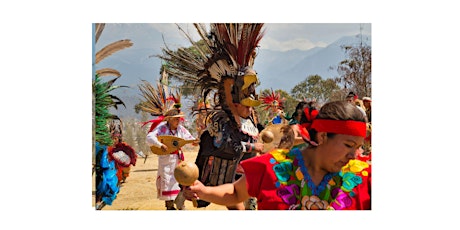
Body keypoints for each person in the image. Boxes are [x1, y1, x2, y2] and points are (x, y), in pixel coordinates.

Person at [184, 100, 371, 210]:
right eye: (349, 145)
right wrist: (204, 191)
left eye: (358, 147)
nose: (354, 156)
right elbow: (235, 192)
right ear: (323, 136)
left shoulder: (365, 178)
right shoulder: (273, 167)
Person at [146, 108, 197, 210]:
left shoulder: (180, 129)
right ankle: (169, 206)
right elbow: (150, 137)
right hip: (166, 160)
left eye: (179, 119)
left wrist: (194, 142)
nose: (178, 121)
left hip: (178, 159)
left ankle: (180, 203)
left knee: (181, 178)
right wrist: (160, 145)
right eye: (176, 119)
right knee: (167, 181)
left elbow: (188, 138)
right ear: (169, 119)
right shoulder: (162, 128)